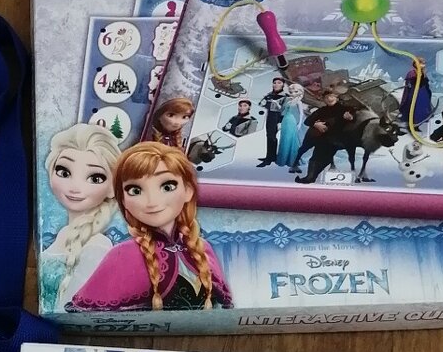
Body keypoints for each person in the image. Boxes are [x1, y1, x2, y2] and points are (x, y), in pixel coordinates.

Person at [68, 142, 233, 312]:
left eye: (167, 186)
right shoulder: (123, 255)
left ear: (188, 191)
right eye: (135, 190)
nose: (152, 201)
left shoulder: (202, 248)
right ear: (123, 200)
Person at [43, 123, 122, 303]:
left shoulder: (97, 246)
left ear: (112, 188)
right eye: (64, 172)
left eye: (95, 178)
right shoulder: (64, 233)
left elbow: (74, 307)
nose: (75, 187)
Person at [256, 76, 287, 166]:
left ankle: (269, 159)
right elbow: (261, 104)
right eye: (274, 83)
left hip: (277, 117)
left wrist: (280, 122)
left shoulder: (285, 96)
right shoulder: (269, 95)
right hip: (270, 116)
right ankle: (270, 156)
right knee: (269, 136)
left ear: (283, 85)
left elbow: (285, 110)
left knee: (272, 137)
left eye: (279, 83)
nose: (276, 84)